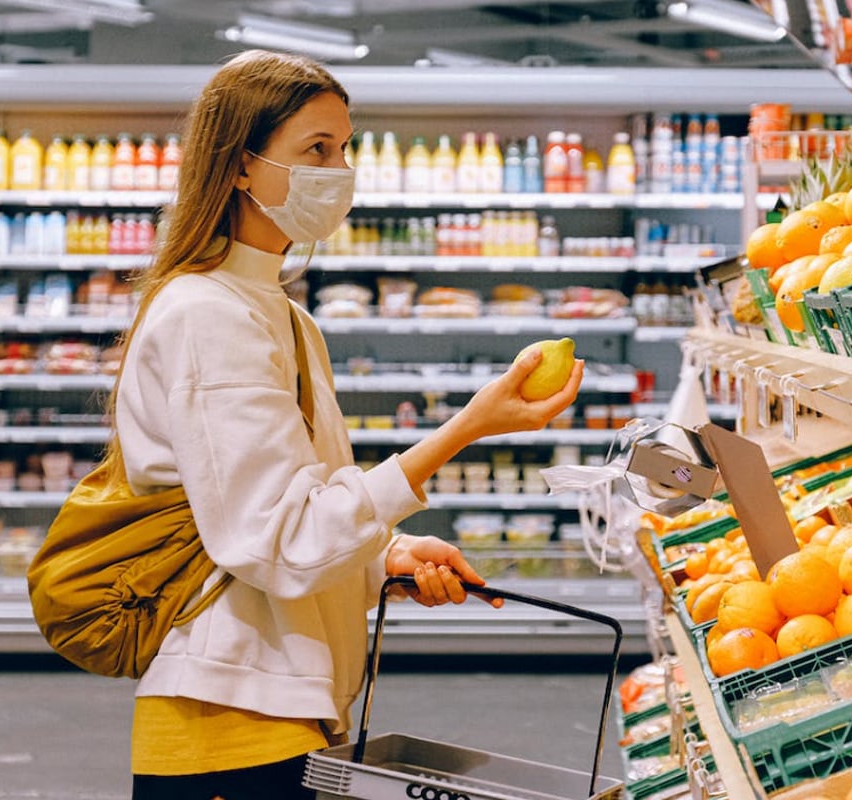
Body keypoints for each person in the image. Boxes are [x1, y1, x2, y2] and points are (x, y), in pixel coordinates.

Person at [107, 49, 583, 800]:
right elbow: (276, 540)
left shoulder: (284, 317)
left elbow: (294, 511)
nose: (339, 171)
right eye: (316, 150)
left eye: (345, 148)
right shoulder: (207, 315)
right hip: (229, 720)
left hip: (288, 705)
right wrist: (462, 431)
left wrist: (382, 556)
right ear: (239, 165)